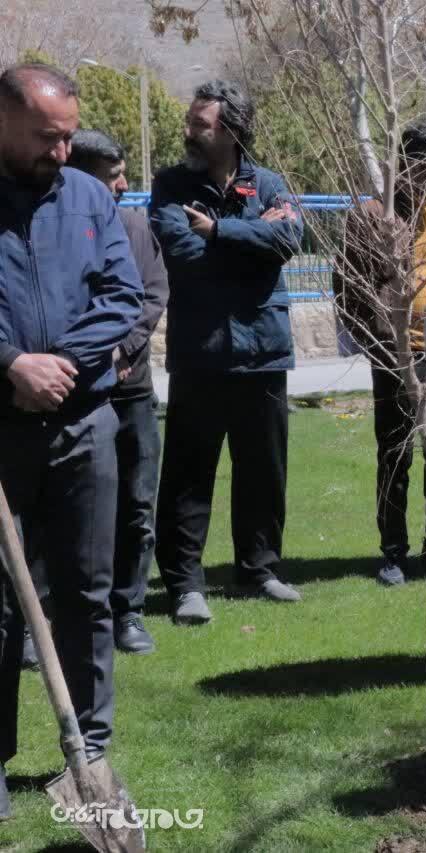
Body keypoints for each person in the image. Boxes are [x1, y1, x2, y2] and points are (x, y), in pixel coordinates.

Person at [0, 63, 144, 819]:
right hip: (2, 427)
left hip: (83, 423)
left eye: (67, 136)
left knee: (89, 593)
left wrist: (59, 364)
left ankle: (90, 748)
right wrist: (10, 363)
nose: (61, 151)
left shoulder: (88, 197)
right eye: (45, 137)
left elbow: (123, 297)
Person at [150, 80, 304, 625]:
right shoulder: (172, 185)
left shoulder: (268, 184)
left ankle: (259, 569)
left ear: (232, 131)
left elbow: (291, 241)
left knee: (264, 468)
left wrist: (218, 231)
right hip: (202, 351)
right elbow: (182, 253)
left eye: (201, 123)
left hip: (263, 351)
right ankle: (184, 584)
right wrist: (250, 238)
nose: (189, 130)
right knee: (189, 473)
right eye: (191, 121)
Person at [333, 120, 426, 586]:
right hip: (396, 359)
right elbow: (349, 293)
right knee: (395, 455)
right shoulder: (372, 217)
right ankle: (393, 552)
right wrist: (383, 348)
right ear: (413, 166)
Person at [58, 130, 170, 655]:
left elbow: (150, 295)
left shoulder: (133, 226)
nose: (123, 185)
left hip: (130, 391)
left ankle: (128, 612)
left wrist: (120, 352)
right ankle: (43, 619)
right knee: (60, 510)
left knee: (135, 504)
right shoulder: (49, 227)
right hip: (68, 392)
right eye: (112, 177)